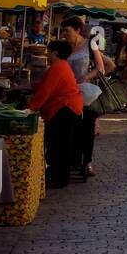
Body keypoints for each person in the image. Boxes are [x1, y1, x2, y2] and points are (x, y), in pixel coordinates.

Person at [30, 40, 84, 188]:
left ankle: (59, 179)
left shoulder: (58, 67)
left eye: (49, 51)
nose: (47, 54)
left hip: (64, 108)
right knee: (61, 145)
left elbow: (45, 92)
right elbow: (44, 87)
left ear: (55, 53)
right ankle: (58, 176)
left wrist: (30, 108)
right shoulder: (60, 66)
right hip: (69, 108)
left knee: (58, 145)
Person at [61, 15, 108, 180]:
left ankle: (87, 162)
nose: (64, 34)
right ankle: (73, 160)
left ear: (78, 30)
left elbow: (101, 68)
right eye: (63, 31)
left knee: (87, 128)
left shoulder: (90, 44)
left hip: (87, 94)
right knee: (71, 127)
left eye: (67, 30)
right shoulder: (64, 48)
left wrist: (86, 77)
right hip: (68, 93)